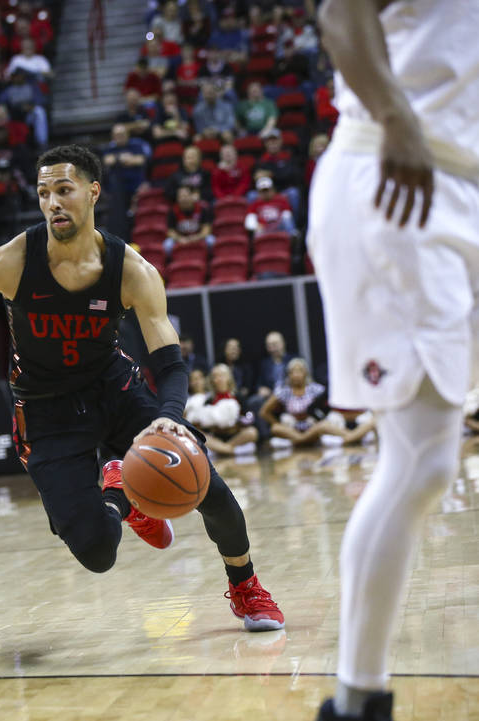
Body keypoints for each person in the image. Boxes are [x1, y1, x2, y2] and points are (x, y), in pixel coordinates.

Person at [0, 145, 283, 632]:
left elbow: (169, 359)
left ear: (92, 193)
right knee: (96, 553)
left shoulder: (132, 269)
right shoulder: (12, 261)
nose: (53, 202)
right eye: (44, 192)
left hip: (115, 391)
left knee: (209, 487)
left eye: (64, 190)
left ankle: (246, 589)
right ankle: (119, 496)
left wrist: (171, 416)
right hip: (46, 411)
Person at [310, 2, 479, 719]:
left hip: (464, 183)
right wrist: (398, 116)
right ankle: (356, 702)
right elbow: (341, 12)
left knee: (427, 461)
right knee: (423, 461)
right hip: (399, 172)